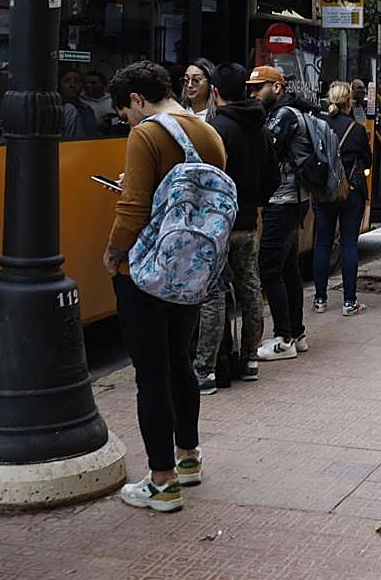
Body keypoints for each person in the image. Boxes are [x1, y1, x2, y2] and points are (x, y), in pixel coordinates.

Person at [102, 60, 227, 512]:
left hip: (149, 270)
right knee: (180, 363)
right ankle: (188, 459)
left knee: (150, 374)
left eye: (125, 112)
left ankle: (161, 482)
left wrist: (114, 254)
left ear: (137, 100)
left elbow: (134, 209)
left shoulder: (147, 134)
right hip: (193, 269)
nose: (127, 121)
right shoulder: (207, 132)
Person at [193, 62, 279, 391]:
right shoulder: (260, 126)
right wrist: (253, 201)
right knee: (250, 288)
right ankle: (250, 360)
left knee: (214, 293)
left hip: (219, 225)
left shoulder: (217, 128)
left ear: (214, 91)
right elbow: (273, 176)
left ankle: (205, 369)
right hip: (248, 221)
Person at [249, 65, 317, 361]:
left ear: (276, 88)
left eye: (258, 87)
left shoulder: (284, 116)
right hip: (293, 199)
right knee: (288, 267)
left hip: (284, 200)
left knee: (268, 267)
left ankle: (283, 338)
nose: (252, 93)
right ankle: (296, 333)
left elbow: (265, 154)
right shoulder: (287, 112)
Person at [312, 81, 373, 316]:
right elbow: (367, 161)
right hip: (351, 192)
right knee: (349, 244)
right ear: (350, 102)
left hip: (323, 192)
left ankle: (319, 299)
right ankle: (349, 302)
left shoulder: (318, 126)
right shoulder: (356, 129)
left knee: (322, 244)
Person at [59, 66, 99, 140]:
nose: (72, 85)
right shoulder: (57, 110)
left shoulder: (87, 109)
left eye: (77, 81)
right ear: (59, 84)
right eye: (67, 81)